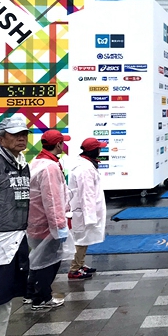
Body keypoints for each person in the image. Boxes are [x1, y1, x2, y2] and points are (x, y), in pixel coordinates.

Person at [0, 115, 32, 336]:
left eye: (24, 133)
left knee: (5, 294)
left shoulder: (23, 163)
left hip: (16, 239)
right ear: (1, 139)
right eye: (15, 134)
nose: (21, 138)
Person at [26, 129, 72, 311]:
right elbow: (52, 199)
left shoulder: (36, 162)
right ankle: (41, 298)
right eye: (63, 142)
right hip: (47, 224)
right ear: (59, 144)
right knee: (49, 262)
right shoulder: (50, 167)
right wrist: (59, 226)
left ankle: (30, 294)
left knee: (37, 259)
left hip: (35, 221)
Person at [68, 138, 107, 280]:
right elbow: (87, 193)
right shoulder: (85, 169)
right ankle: (74, 269)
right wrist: (90, 215)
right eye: (99, 148)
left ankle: (80, 264)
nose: (100, 151)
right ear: (93, 150)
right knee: (81, 240)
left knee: (85, 238)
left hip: (85, 210)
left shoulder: (87, 165)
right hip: (83, 211)